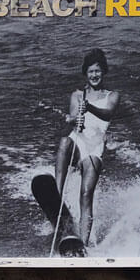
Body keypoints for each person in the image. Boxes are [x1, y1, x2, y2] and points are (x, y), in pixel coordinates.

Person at [55, 49, 120, 247]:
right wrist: (73, 118)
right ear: (86, 73)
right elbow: (73, 116)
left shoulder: (112, 95)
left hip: (95, 149)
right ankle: (56, 197)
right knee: (64, 142)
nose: (94, 75)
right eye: (91, 71)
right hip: (78, 141)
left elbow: (108, 114)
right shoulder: (77, 95)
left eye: (98, 71)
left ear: (104, 72)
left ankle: (83, 242)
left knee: (86, 194)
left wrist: (90, 108)